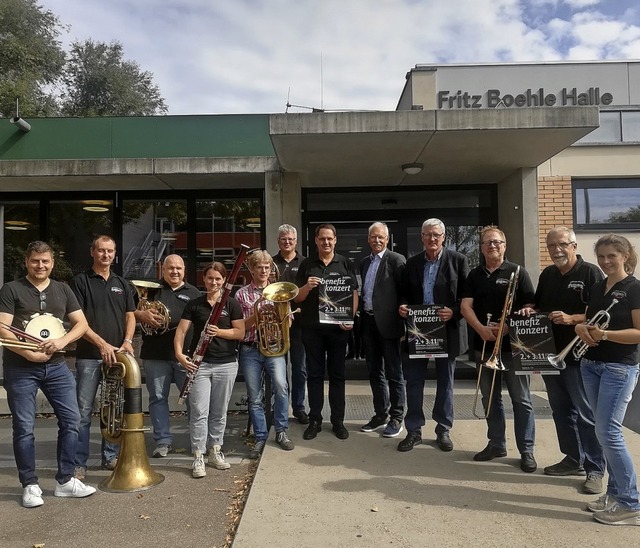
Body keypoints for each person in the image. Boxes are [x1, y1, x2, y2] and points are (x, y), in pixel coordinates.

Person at [0, 241, 96, 508]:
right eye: (35, 261)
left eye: (45, 261)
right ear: (27, 262)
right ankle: (30, 484)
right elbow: (3, 330)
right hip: (21, 367)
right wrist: (29, 354)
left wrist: (63, 341)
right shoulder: (11, 289)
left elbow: (81, 324)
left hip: (56, 366)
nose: (40, 266)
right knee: (23, 428)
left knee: (72, 419)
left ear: (52, 263)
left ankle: (66, 480)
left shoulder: (63, 289)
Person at [522, 227, 605, 493]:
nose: (556, 250)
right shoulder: (547, 274)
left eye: (561, 245)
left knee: (585, 413)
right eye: (551, 246)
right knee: (560, 411)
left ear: (574, 245)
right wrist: (529, 309)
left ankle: (595, 469)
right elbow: (538, 304)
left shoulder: (590, 272)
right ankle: (572, 458)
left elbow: (601, 312)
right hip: (549, 353)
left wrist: (572, 319)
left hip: (579, 356)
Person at [461, 225, 537, 473]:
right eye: (487, 243)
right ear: (481, 248)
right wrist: (481, 329)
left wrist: (510, 325)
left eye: (497, 242)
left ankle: (527, 450)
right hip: (484, 345)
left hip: (513, 347)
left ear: (504, 245)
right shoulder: (474, 275)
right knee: (490, 398)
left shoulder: (518, 271)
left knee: (522, 400)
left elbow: (530, 305)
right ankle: (496, 444)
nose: (492, 246)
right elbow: (465, 307)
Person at [576, 234, 640, 526]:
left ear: (625, 255)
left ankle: (630, 503)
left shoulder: (635, 288)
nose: (605, 261)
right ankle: (614, 495)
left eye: (611, 255)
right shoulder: (598, 287)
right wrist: (582, 329)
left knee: (609, 433)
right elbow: (591, 322)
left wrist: (606, 335)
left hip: (619, 367)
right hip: (592, 364)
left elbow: (639, 333)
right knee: (604, 433)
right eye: (600, 256)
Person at [398, 219, 469, 452]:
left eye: (436, 235)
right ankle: (414, 430)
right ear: (421, 237)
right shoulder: (412, 263)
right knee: (414, 382)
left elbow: (468, 298)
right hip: (417, 332)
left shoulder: (459, 261)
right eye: (427, 235)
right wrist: (403, 307)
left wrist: (455, 311)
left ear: (444, 237)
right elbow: (404, 294)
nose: (432, 239)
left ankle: (443, 430)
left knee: (445, 383)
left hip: (446, 332)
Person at [70, 235, 136, 479]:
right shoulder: (79, 282)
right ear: (92, 252)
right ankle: (79, 464)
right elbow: (78, 321)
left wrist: (127, 341)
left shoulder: (122, 283)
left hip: (117, 357)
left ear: (114, 254)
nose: (105, 255)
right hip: (89, 356)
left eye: (110, 251)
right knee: (83, 411)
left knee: (115, 410)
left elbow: (131, 315)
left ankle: (110, 456)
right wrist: (101, 344)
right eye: (101, 251)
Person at [174, 261, 245, 478]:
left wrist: (219, 332)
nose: (213, 282)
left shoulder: (231, 304)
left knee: (219, 411)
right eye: (210, 278)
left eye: (218, 279)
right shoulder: (195, 304)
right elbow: (181, 332)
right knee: (199, 412)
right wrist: (179, 354)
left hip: (226, 364)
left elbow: (240, 333)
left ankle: (215, 450)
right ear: (204, 280)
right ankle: (198, 455)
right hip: (200, 364)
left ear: (224, 281)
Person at [295, 224, 359, 441]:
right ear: (316, 240)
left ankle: (338, 421)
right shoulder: (306, 265)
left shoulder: (345, 263)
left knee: (337, 376)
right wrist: (306, 287)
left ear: (335, 240)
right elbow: (297, 298)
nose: (326, 242)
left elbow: (354, 294)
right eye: (322, 239)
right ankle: (315, 420)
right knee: (313, 376)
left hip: (338, 330)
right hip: (312, 329)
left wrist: (350, 317)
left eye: (329, 239)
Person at [135, 254, 201, 458]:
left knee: (193, 399)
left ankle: (197, 440)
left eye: (178, 268)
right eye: (170, 268)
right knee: (157, 398)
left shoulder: (194, 292)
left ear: (184, 270)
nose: (174, 272)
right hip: (156, 353)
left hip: (185, 355)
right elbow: (131, 312)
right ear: (162, 270)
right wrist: (142, 315)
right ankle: (162, 441)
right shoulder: (151, 290)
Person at [235, 250, 295, 459]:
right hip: (250, 348)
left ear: (271, 269)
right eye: (259, 267)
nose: (263, 270)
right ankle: (260, 436)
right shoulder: (241, 294)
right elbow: (240, 325)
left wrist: (285, 315)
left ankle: (281, 430)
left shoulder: (279, 292)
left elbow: (287, 323)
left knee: (281, 386)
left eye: (267, 267)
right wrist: (257, 314)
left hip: (273, 347)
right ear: (251, 269)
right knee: (255, 396)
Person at [359, 222, 407, 438]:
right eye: (373, 237)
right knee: (374, 371)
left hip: (389, 325)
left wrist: (404, 316)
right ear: (368, 239)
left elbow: (405, 291)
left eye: (381, 237)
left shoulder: (396, 260)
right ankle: (381, 414)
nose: (377, 240)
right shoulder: (363, 263)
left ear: (387, 239)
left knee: (394, 372)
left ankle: (397, 416)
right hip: (368, 323)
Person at [272, 224, 309, 424]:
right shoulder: (270, 263)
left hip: (299, 323)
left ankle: (299, 407)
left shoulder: (305, 262)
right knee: (276, 369)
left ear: (296, 241)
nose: (287, 242)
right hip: (275, 325)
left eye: (291, 239)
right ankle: (278, 408)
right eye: (283, 239)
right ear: (278, 241)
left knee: (299, 368)